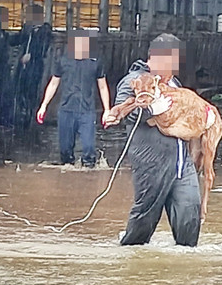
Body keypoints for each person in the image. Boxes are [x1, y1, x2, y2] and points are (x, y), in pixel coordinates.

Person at [104, 33, 202, 247]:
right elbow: (126, 115)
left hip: (180, 163)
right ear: (155, 57)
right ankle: (129, 255)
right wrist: (151, 110)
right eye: (171, 60)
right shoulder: (133, 81)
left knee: (190, 211)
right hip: (151, 162)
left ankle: (186, 262)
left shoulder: (172, 82)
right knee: (145, 219)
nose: (174, 67)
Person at [36, 30, 110, 167]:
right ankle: (68, 178)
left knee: (88, 149)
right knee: (65, 152)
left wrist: (107, 110)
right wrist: (43, 106)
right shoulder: (63, 60)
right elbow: (53, 83)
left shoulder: (95, 61)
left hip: (87, 112)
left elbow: (103, 87)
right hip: (66, 110)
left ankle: (88, 179)